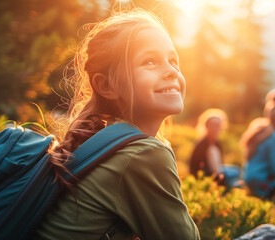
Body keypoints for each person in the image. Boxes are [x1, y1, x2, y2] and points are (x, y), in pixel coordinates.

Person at [33, 10, 199, 239]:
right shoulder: (143, 154)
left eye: (173, 61)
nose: (172, 71)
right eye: (149, 61)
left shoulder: (101, 138)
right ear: (107, 85)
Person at [189, 108, 240, 188]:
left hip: (218, 175)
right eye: (213, 125)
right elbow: (194, 168)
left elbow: (220, 164)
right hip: (208, 179)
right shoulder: (201, 145)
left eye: (218, 125)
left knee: (236, 170)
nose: (215, 128)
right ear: (206, 126)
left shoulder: (217, 143)